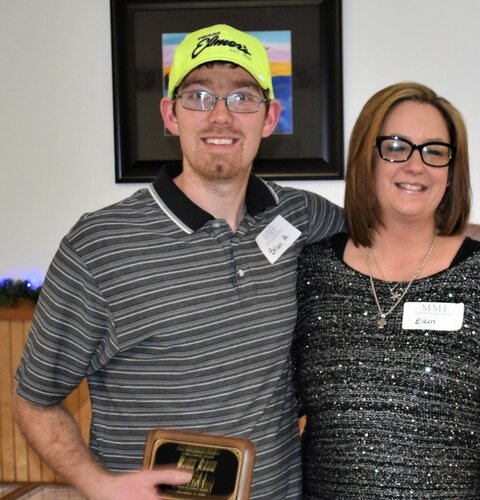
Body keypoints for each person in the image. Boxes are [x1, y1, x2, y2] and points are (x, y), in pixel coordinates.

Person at [12, 24, 343, 499]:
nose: (222, 117)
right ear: (171, 114)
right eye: (200, 96)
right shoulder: (99, 245)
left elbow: (390, 238)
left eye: (243, 98)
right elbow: (34, 401)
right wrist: (97, 485)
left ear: (269, 118)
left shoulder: (302, 217)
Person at [292, 82, 480, 498]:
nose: (416, 165)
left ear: (451, 172)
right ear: (366, 158)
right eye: (396, 146)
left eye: (434, 151)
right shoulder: (313, 270)